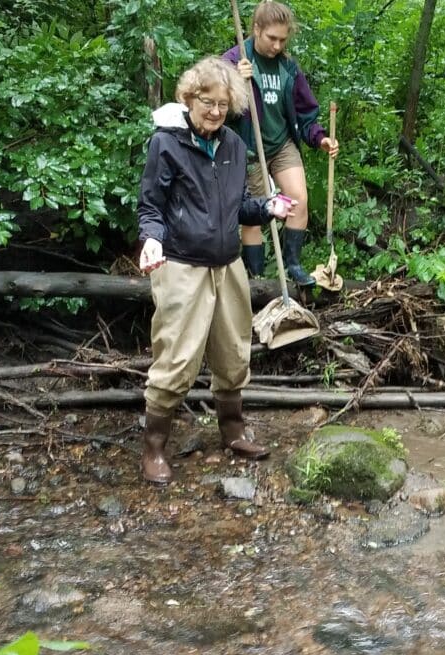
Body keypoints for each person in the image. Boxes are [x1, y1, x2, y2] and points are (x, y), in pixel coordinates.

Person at [137, 56, 294, 485]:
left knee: (232, 353)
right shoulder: (166, 144)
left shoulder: (232, 147)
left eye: (223, 104)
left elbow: (240, 205)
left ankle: (232, 432)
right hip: (181, 266)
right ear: (189, 97)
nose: (215, 111)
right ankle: (153, 450)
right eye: (208, 102)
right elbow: (150, 207)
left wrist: (269, 207)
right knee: (176, 358)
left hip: (228, 265)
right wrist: (151, 240)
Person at [222, 0, 340, 287]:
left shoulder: (288, 67)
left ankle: (294, 266)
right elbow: (217, 111)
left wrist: (320, 138)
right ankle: (258, 279)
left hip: (282, 144)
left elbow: (305, 112)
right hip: (248, 148)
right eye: (271, 38)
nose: (277, 46)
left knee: (297, 200)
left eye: (282, 40)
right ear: (256, 29)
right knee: (255, 214)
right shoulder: (233, 60)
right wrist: (235, 83)